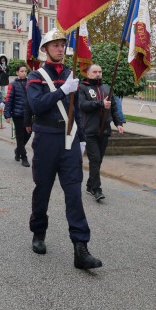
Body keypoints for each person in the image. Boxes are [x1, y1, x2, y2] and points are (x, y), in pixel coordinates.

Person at [26, 29, 102, 270]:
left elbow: (76, 110)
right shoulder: (35, 76)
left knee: (74, 194)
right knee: (43, 190)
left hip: (69, 140)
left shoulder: (70, 74)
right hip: (46, 139)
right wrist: (62, 90)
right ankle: (39, 231)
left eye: (62, 45)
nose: (60, 48)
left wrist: (80, 139)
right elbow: (36, 105)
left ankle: (81, 247)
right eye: (55, 45)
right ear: (45, 49)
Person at [79, 63, 124, 201]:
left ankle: (89, 184)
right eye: (94, 72)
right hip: (90, 131)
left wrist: (118, 123)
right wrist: (100, 103)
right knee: (95, 159)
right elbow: (82, 105)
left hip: (104, 130)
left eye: (100, 71)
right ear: (88, 73)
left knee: (98, 161)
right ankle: (96, 189)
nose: (98, 74)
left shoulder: (106, 88)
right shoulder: (82, 88)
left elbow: (114, 107)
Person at [4, 63, 32, 167]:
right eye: (22, 71)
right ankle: (24, 157)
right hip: (18, 114)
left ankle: (18, 150)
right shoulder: (13, 84)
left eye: (25, 71)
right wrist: (7, 114)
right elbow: (9, 99)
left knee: (28, 134)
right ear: (17, 72)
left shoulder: (30, 82)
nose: (24, 73)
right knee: (20, 136)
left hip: (29, 114)